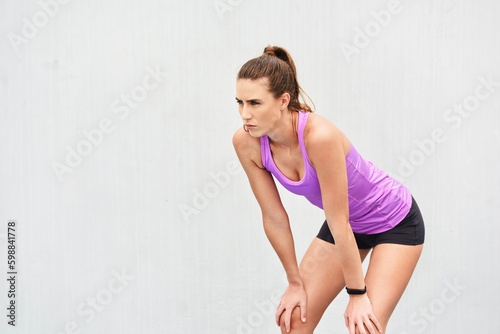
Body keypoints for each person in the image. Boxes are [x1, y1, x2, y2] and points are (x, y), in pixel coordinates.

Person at [232, 46, 425, 334]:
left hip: (395, 222)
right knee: (294, 319)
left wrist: (357, 295)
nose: (245, 114)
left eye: (255, 103)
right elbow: (274, 217)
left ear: (283, 100)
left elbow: (338, 221)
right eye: (240, 102)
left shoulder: (319, 137)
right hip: (347, 226)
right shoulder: (246, 143)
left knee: (365, 328)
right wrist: (294, 282)